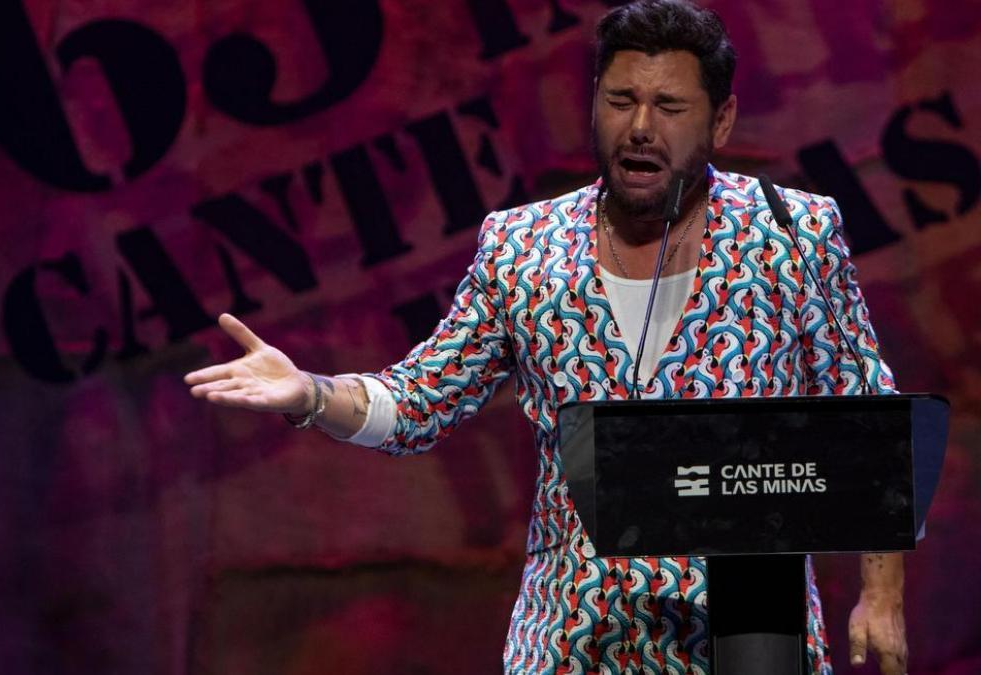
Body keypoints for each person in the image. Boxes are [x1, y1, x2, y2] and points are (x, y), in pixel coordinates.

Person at [185, 1, 908, 672]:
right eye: (620, 101)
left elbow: (871, 422)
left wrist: (882, 596)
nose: (640, 127)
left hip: (748, 630)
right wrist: (310, 392)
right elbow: (418, 400)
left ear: (721, 122)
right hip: (573, 635)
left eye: (669, 106)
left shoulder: (794, 232)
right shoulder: (522, 244)